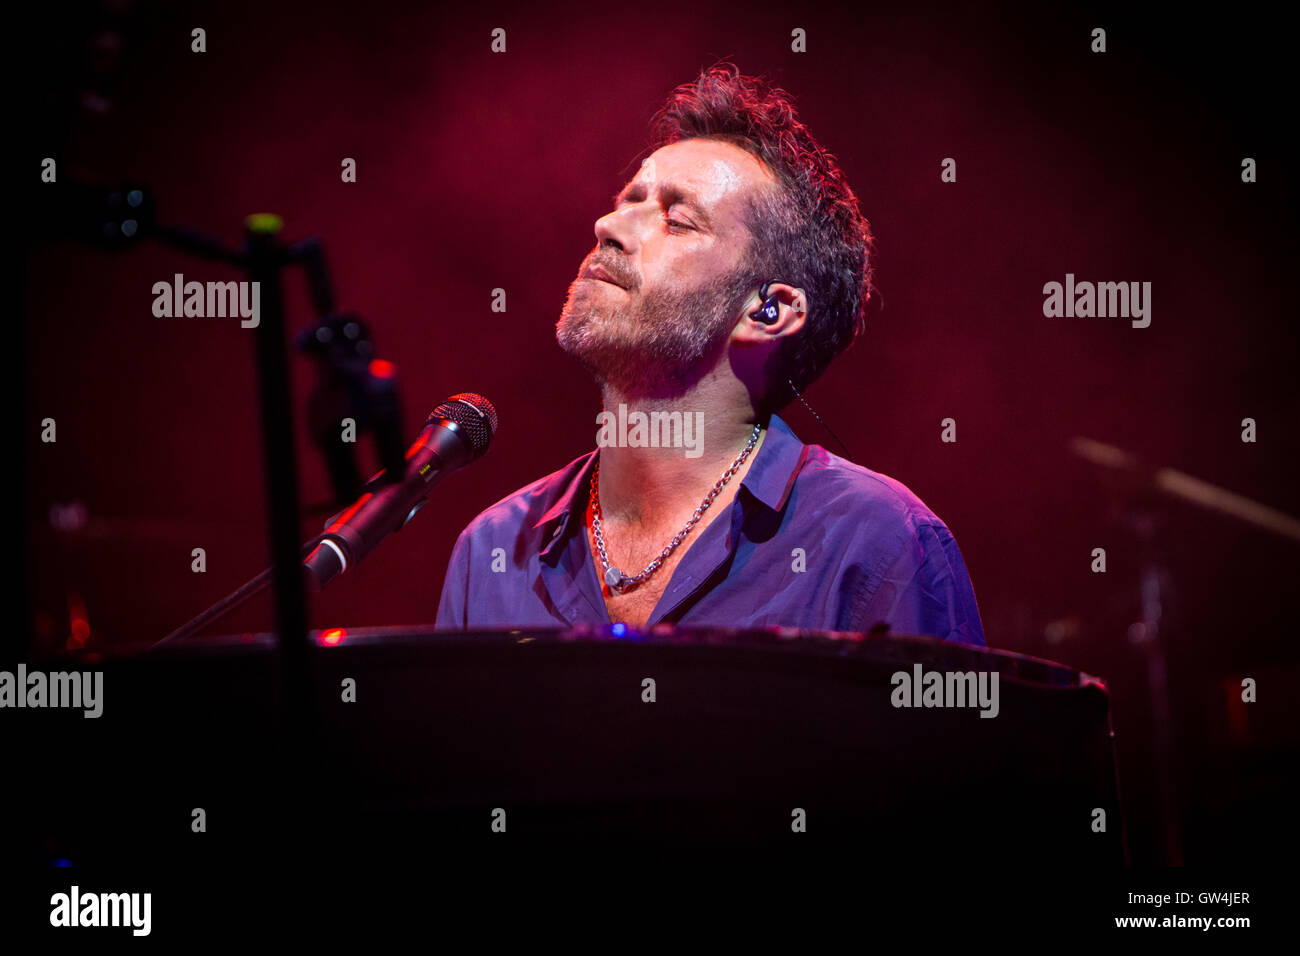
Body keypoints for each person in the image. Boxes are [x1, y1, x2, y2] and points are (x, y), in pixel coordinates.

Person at [436, 64, 984, 646]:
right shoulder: (493, 550)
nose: (607, 226)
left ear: (767, 311)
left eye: (676, 219)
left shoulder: (878, 543)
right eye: (626, 202)